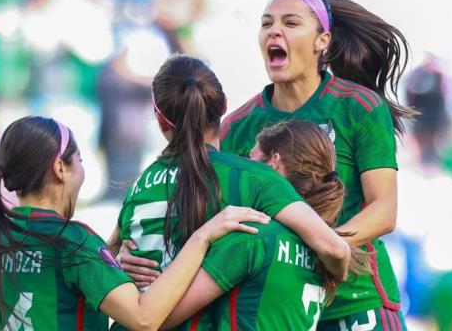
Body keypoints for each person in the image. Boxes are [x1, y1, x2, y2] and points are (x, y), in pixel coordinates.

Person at [0, 116, 271, 331]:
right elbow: (145, 319)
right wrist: (204, 236)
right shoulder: (71, 242)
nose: (82, 172)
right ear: (60, 169)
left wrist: (110, 257)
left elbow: (53, 285)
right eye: (80, 161)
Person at [218, 0, 417, 330]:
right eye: (266, 24)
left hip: (356, 301)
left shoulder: (359, 106)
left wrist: (319, 246)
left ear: (322, 41)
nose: (274, 31)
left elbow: (384, 211)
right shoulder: (236, 126)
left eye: (291, 23)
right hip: (279, 311)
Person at [112, 55, 352, 328]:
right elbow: (335, 249)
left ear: (160, 119)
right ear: (224, 105)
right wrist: (335, 277)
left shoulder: (140, 185)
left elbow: (109, 252)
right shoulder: (250, 177)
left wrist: (120, 263)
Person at [156, 120, 374, 330]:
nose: (244, 165)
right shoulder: (321, 252)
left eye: (250, 158)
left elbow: (159, 317)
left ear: (273, 163)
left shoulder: (251, 237)